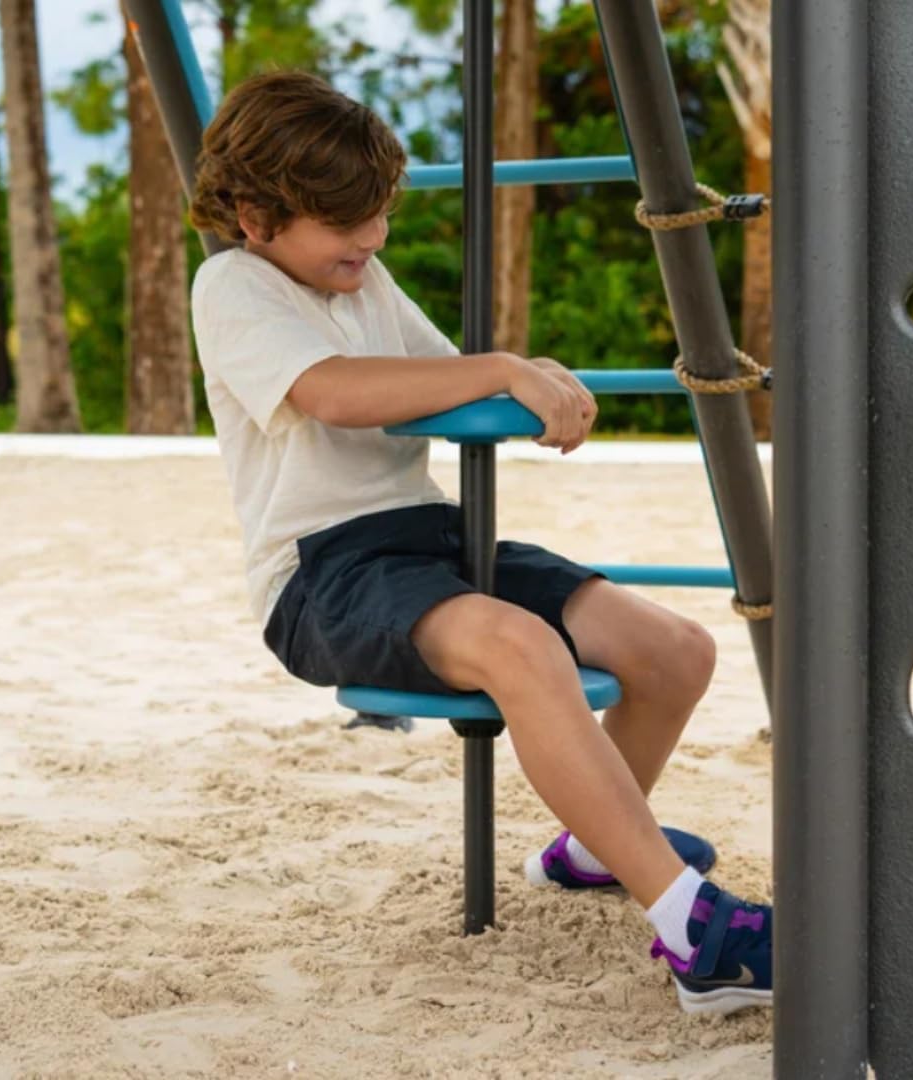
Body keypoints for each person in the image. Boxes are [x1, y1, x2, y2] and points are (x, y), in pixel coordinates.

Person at [188, 69, 771, 1016]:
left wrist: (525, 374)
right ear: (255, 216)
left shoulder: (361, 277)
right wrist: (501, 366)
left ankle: (590, 855)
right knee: (521, 647)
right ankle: (692, 930)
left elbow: (440, 377)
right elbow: (333, 391)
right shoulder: (234, 286)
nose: (372, 241)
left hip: (434, 541)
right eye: (346, 225)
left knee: (673, 650)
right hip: (326, 572)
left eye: (377, 218)